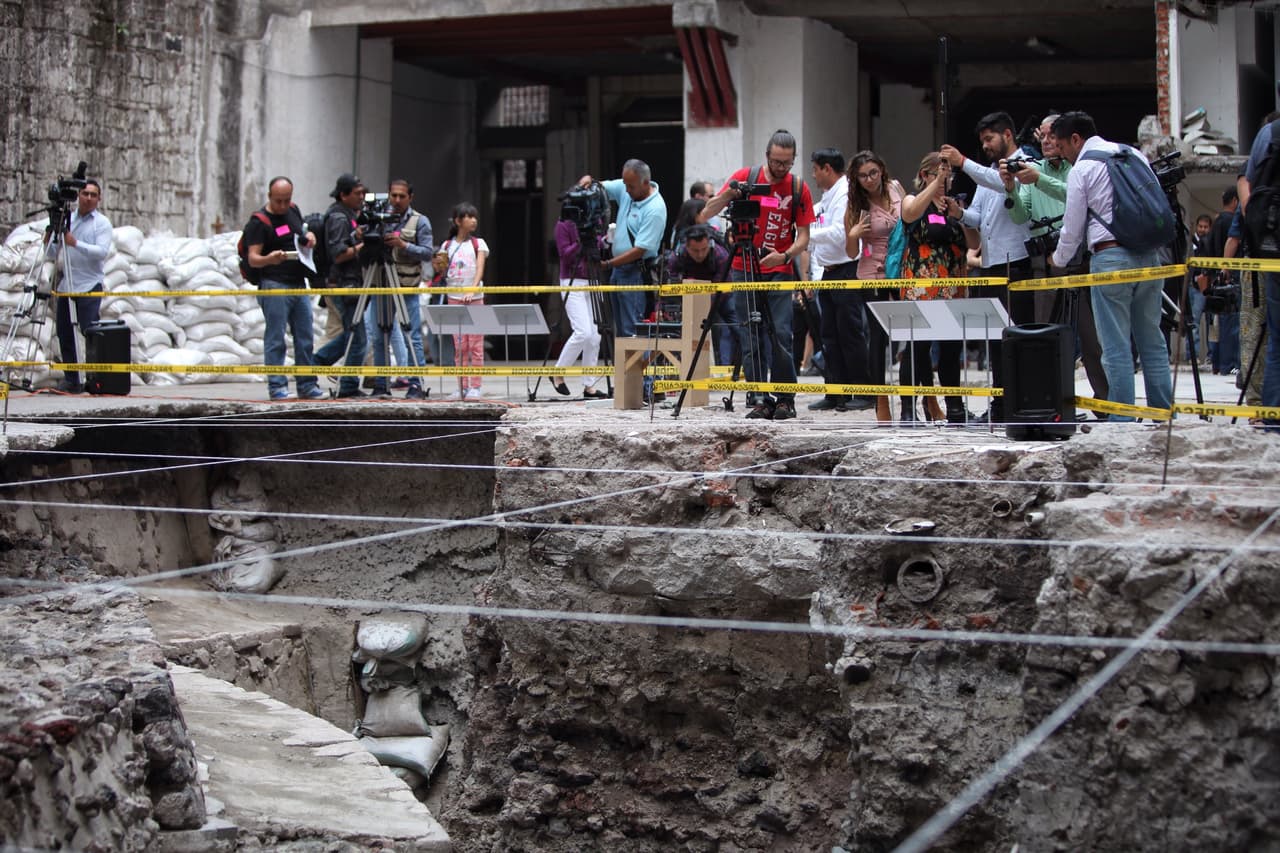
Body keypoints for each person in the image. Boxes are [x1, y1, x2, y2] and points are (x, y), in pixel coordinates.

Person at [1049, 111, 1172, 421]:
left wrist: (1058, 260)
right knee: (1152, 340)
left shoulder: (1084, 168)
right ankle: (1162, 413)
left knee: (1116, 346)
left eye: (1063, 147)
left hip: (1110, 258)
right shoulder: (1133, 155)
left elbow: (1072, 229)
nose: (1063, 156)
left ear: (1075, 139)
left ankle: (1123, 419)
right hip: (1149, 258)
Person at [698, 128, 816, 420]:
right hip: (744, 267)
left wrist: (786, 254)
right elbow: (705, 214)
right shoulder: (746, 177)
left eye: (787, 163)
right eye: (776, 162)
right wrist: (730, 192)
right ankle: (759, 397)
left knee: (782, 334)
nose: (781, 169)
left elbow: (803, 236)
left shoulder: (798, 187)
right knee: (750, 334)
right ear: (767, 156)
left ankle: (785, 398)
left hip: (780, 267)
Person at [1004, 113, 1108, 408]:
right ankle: (1046, 401)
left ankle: (1106, 400)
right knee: (1043, 332)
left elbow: (1074, 197)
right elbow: (1021, 215)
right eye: (1044, 136)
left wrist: (1040, 180)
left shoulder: (1077, 168)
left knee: (1091, 337)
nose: (1048, 141)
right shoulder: (1032, 170)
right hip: (1044, 259)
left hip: (1078, 258)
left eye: (1053, 135)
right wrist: (1011, 188)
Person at [941, 111, 1035, 423]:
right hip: (991, 264)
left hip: (1016, 262)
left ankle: (1018, 403)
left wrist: (963, 161)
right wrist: (958, 212)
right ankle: (998, 405)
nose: (986, 145)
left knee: (1015, 338)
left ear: (1008, 135)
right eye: (982, 141)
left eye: (990, 139)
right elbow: (978, 218)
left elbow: (1002, 183)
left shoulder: (1025, 163)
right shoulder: (988, 173)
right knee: (995, 339)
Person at [895, 152, 971, 424]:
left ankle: (955, 407)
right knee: (917, 346)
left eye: (948, 175)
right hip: (922, 283)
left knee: (950, 348)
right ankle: (907, 409)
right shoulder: (914, 200)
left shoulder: (954, 204)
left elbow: (972, 241)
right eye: (939, 174)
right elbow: (909, 214)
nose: (944, 180)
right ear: (925, 175)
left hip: (951, 283)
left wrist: (960, 214)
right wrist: (933, 187)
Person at [243, 176, 323, 401]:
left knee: (305, 336)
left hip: (298, 283)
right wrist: (270, 259)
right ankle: (277, 386)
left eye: (286, 200)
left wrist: (309, 237)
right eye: (278, 201)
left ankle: (307, 384)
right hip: (274, 283)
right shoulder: (259, 222)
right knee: (276, 338)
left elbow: (300, 234)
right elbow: (253, 259)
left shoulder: (293, 211)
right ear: (269, 197)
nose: (282, 206)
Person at [807, 147, 873, 413]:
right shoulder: (826, 197)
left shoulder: (844, 193)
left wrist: (805, 237)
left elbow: (838, 233)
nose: (813, 176)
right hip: (828, 271)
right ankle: (835, 392)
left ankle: (862, 390)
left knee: (850, 334)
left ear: (826, 168)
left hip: (847, 269)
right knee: (829, 336)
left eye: (815, 170)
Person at [845, 150, 905, 424]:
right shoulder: (857, 205)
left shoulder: (895, 188)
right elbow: (849, 252)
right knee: (879, 340)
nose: (869, 179)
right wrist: (853, 235)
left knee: (914, 337)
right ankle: (881, 401)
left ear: (881, 169)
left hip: (903, 271)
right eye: (862, 176)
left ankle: (919, 399)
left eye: (872, 172)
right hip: (874, 274)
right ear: (856, 180)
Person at [577, 161, 666, 341]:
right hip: (619, 270)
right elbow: (600, 187)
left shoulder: (655, 209)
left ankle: (636, 368)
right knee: (621, 329)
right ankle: (623, 368)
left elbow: (640, 250)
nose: (626, 190)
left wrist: (608, 264)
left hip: (635, 271)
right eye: (625, 184)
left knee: (632, 329)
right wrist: (589, 181)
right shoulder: (628, 188)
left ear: (645, 183)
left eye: (631, 186)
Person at [362, 179, 432, 400]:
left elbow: (428, 253)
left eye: (402, 196)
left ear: (410, 197)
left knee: (412, 335)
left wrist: (403, 245)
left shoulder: (420, 221)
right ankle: (381, 384)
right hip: (380, 284)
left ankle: (416, 384)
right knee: (378, 335)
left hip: (406, 287)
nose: (397, 200)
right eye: (394, 195)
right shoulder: (379, 219)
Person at [53, 178, 113, 393]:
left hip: (89, 284)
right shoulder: (67, 219)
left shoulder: (102, 224)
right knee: (64, 332)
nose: (88, 198)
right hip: (67, 284)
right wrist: (50, 239)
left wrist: (75, 243)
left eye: (93, 195)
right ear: (78, 196)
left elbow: (101, 252)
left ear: (99, 199)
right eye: (85, 194)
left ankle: (94, 378)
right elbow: (54, 253)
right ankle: (71, 379)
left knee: (90, 332)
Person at [314, 173, 370, 399]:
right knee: (358, 338)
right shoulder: (338, 217)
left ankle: (317, 361)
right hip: (344, 284)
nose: (362, 197)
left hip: (351, 281)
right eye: (357, 194)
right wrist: (362, 246)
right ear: (343, 195)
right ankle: (347, 385)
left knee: (351, 334)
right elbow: (338, 254)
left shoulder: (348, 215)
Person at [550, 213, 606, 398]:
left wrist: (606, 240)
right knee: (583, 331)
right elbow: (565, 256)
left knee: (595, 335)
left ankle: (589, 385)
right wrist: (581, 241)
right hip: (571, 280)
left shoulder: (595, 221)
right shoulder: (563, 224)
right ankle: (558, 372)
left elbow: (598, 249)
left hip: (593, 278)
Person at [666, 223, 737, 365]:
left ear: (709, 243)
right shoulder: (677, 257)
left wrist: (706, 307)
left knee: (738, 328)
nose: (699, 254)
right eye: (695, 250)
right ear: (686, 246)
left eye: (703, 249)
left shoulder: (720, 255)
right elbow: (670, 286)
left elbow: (722, 287)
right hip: (688, 297)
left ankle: (731, 366)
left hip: (720, 297)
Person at [440, 202, 489, 401]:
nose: (474, 220)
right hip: (454, 297)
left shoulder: (479, 244)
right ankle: (462, 386)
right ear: (458, 221)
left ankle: (475, 386)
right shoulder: (446, 245)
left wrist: (472, 289)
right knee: (459, 344)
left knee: (476, 344)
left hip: (475, 298)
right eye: (469, 217)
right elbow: (443, 271)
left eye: (474, 217)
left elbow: (479, 268)